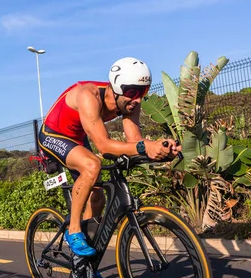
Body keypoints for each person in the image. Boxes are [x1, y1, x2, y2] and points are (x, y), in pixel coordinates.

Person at [38, 57, 182, 264]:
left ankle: (82, 263)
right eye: (133, 92)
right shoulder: (90, 96)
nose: (138, 99)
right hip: (53, 134)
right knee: (92, 165)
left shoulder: (130, 103)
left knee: (97, 197)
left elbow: (135, 141)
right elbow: (104, 146)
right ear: (115, 87)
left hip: (78, 137)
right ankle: (74, 230)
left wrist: (160, 148)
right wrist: (144, 146)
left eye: (143, 92)